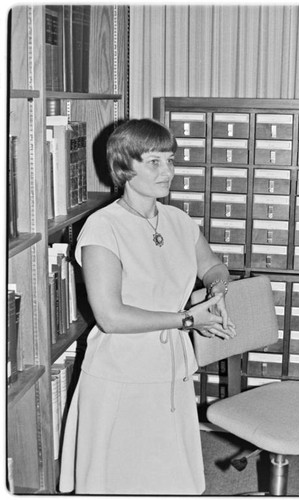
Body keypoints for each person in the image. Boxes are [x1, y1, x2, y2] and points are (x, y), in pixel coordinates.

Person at [59, 118, 236, 495]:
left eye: (170, 160)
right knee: (119, 480)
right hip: (121, 372)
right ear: (125, 167)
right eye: (154, 162)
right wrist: (188, 318)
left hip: (171, 366)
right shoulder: (102, 228)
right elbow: (110, 317)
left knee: (165, 476)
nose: (168, 171)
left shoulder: (178, 220)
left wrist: (217, 293)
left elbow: (212, 267)